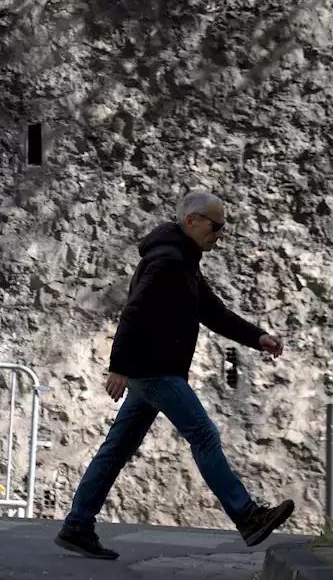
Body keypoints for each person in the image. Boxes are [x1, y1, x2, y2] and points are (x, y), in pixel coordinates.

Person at [54, 191, 295, 560]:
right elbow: (134, 311)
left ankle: (77, 525)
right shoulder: (168, 261)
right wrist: (117, 366)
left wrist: (257, 337)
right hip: (156, 371)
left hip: (150, 372)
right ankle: (247, 516)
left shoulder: (183, 261)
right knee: (202, 434)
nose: (221, 233)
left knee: (116, 449)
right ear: (191, 222)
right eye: (216, 226)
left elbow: (213, 311)